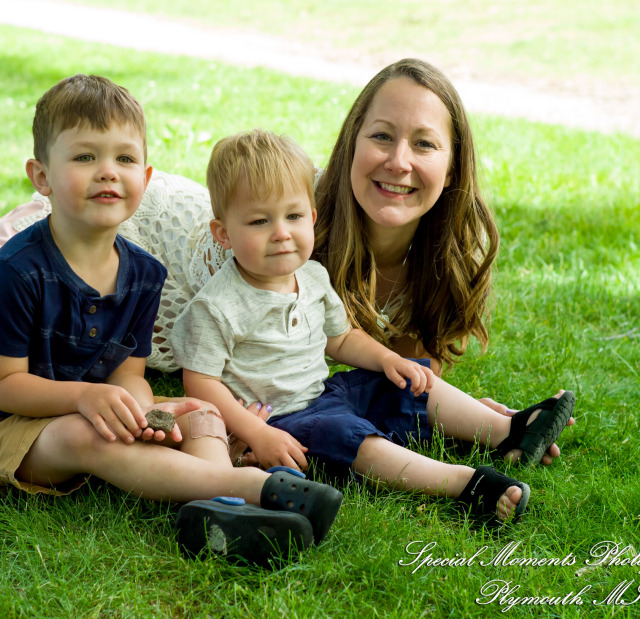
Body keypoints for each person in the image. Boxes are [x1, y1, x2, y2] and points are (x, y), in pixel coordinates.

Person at [0, 58, 570, 463]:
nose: (397, 161)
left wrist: (484, 417)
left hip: (128, 310)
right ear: (348, 147)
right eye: (379, 135)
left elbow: (375, 370)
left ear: (453, 164)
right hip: (102, 232)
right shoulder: (298, 231)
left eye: (424, 143)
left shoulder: (425, 261)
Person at [0, 74, 342, 567]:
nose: (107, 172)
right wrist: (88, 398)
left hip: (100, 414)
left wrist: (140, 414)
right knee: (84, 435)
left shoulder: (144, 273)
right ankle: (246, 486)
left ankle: (218, 514)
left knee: (200, 412)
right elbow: (4, 387)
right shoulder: (15, 274)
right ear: (41, 176)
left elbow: (129, 376)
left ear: (145, 179)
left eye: (124, 158)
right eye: (85, 157)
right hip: (5, 432)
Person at [170, 129, 575, 523]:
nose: (281, 233)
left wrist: (387, 359)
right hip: (280, 421)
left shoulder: (311, 276)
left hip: (324, 393)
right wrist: (257, 435)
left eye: (293, 216)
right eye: (259, 222)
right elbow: (201, 386)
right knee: (347, 433)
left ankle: (508, 431)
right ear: (223, 234)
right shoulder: (218, 305)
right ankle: (464, 484)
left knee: (402, 380)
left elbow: (341, 337)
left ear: (311, 217)